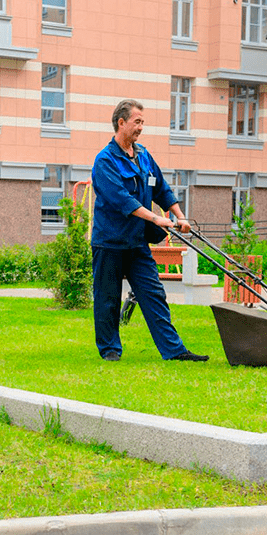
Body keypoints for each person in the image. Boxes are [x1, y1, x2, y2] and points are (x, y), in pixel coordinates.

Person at [91, 99, 208, 363]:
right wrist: (157, 218)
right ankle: (110, 349)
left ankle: (174, 350)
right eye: (137, 122)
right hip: (109, 242)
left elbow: (161, 189)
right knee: (107, 299)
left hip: (137, 242)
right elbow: (122, 200)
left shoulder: (143, 155)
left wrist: (180, 216)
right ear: (121, 122)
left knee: (154, 294)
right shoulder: (105, 160)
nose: (141, 127)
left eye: (143, 122)